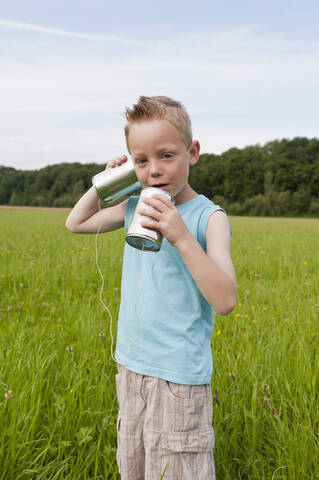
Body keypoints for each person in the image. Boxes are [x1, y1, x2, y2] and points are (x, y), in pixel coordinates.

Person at [65, 96, 237, 480]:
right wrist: (106, 183)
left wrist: (180, 236)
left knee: (177, 470)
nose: (155, 171)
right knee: (135, 467)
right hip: (131, 368)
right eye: (141, 161)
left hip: (178, 379)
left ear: (192, 152)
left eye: (166, 156)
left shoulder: (209, 219)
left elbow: (225, 300)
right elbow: (75, 223)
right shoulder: (133, 206)